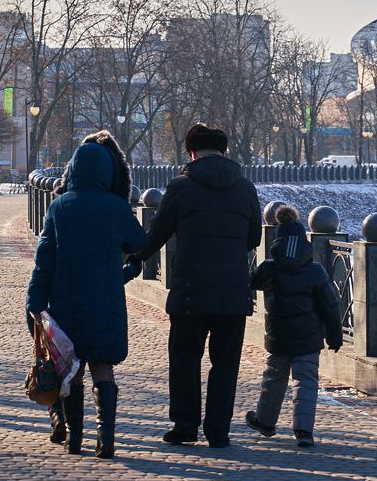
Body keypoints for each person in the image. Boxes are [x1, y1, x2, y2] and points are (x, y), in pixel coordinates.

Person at [134, 124, 261, 448]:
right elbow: (254, 239)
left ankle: (185, 427)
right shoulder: (245, 188)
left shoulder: (180, 187)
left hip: (190, 288)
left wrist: (132, 258)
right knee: (225, 363)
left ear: (191, 151)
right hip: (232, 291)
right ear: (225, 151)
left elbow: (158, 233)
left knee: (185, 357)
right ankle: (218, 431)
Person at [26, 132, 146, 458]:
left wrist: (34, 305)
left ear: (73, 168)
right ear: (108, 171)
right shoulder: (116, 208)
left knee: (74, 370)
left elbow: (43, 262)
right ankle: (106, 439)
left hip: (67, 304)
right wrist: (128, 270)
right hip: (105, 303)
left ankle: (74, 438)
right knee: (103, 368)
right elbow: (140, 244)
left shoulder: (59, 207)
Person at [245, 205, 343, 448]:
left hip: (278, 336)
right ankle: (304, 432)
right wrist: (335, 336)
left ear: (277, 241)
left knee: (274, 378)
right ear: (304, 242)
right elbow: (330, 306)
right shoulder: (315, 271)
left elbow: (249, 282)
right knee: (306, 382)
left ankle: (265, 422)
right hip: (308, 337)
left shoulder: (269, 268)